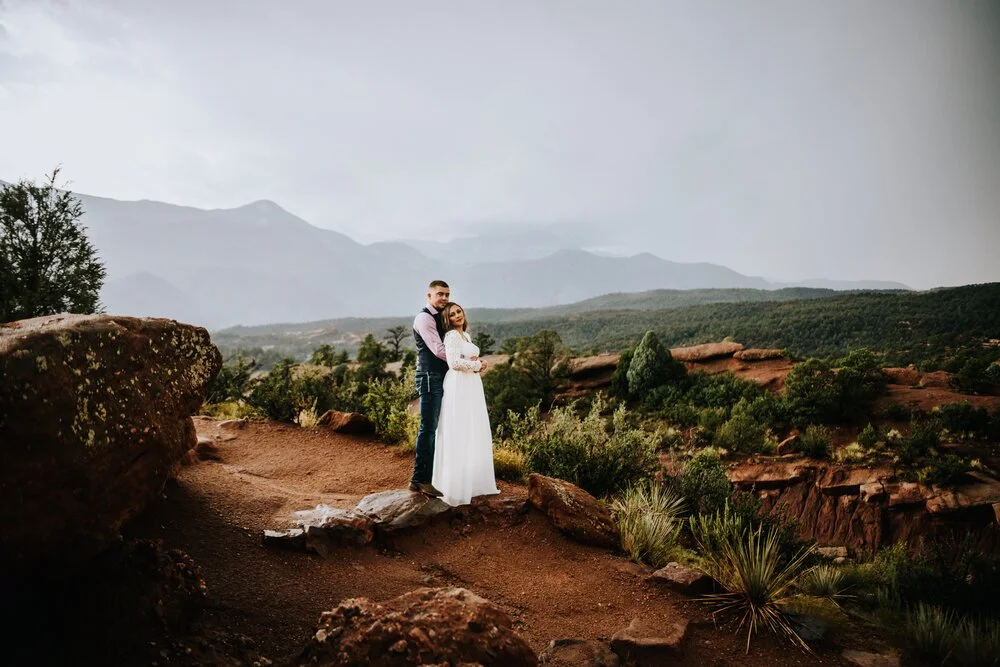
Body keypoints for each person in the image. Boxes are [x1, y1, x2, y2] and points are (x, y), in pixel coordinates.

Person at [431, 302, 500, 507]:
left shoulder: (465, 336)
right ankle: (455, 486)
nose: (457, 316)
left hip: (471, 383)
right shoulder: (452, 335)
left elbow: (466, 357)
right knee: (459, 428)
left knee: (472, 427)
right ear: (448, 320)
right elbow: (454, 363)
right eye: (452, 315)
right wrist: (477, 365)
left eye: (458, 311)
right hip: (459, 384)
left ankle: (473, 482)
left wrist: (479, 363)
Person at [409, 280, 451, 497]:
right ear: (429, 296)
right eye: (440, 294)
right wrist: (467, 361)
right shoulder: (424, 318)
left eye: (447, 294)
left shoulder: (442, 317)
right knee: (428, 428)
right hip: (429, 376)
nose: (444, 298)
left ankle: (434, 476)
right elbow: (438, 350)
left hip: (441, 377)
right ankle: (420, 480)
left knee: (438, 427)